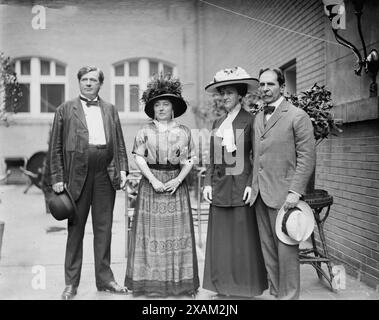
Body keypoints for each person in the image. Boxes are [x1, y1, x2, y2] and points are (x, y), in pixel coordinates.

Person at [48, 66, 129, 300]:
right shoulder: (65, 109)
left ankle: (105, 279)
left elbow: (120, 143)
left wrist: (123, 169)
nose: (89, 83)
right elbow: (54, 146)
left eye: (93, 80)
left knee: (104, 229)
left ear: (100, 84)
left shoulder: (110, 109)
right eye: (85, 79)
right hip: (76, 176)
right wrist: (57, 177)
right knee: (76, 230)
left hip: (105, 173)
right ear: (79, 82)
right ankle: (71, 284)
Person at [124, 74, 199, 297]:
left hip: (176, 185)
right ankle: (151, 283)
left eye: (165, 104)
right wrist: (153, 180)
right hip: (152, 185)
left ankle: (178, 283)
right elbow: (138, 157)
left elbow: (190, 159)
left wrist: (178, 179)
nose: (161, 108)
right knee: (151, 235)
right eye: (157, 105)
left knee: (177, 234)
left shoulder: (184, 132)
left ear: (173, 107)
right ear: (152, 108)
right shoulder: (144, 131)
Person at [249, 68, 316, 300]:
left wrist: (295, 191)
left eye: (270, 84)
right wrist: (252, 185)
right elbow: (255, 157)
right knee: (269, 253)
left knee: (286, 253)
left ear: (282, 87)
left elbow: (307, 157)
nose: (265, 89)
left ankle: (289, 297)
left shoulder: (297, 116)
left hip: (285, 196)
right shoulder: (258, 116)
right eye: (262, 84)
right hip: (260, 194)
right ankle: (277, 295)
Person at [202, 67, 268, 299]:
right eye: (222, 93)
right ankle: (223, 286)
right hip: (220, 187)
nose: (225, 97)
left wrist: (252, 183)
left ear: (240, 95)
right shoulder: (218, 122)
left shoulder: (252, 120)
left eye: (230, 92)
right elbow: (213, 157)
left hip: (242, 186)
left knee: (242, 239)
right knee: (222, 239)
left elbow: (258, 156)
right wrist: (208, 183)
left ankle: (244, 287)